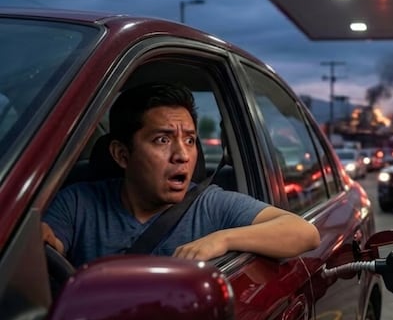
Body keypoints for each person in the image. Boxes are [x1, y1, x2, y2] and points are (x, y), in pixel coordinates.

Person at [42, 82, 320, 266]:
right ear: (122, 154)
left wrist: (221, 239)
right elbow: (47, 249)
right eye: (162, 140)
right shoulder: (78, 203)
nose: (183, 155)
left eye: (189, 140)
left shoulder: (211, 205)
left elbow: (304, 233)